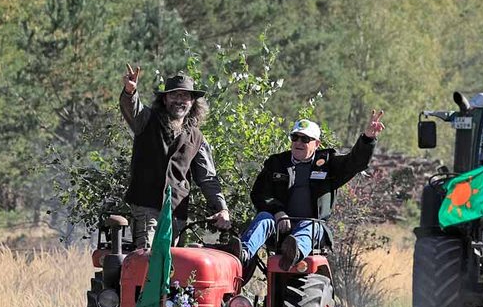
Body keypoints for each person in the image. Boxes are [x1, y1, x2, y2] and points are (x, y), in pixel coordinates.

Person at [240, 111, 385, 271]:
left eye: (305, 139)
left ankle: (293, 254)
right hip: (280, 226)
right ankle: (242, 255)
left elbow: (355, 162)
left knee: (310, 225)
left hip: (311, 228)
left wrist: (367, 138)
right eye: (295, 137)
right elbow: (259, 193)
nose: (298, 142)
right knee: (264, 217)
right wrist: (277, 211)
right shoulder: (277, 162)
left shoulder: (328, 163)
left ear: (316, 144)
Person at [119, 64, 230, 248]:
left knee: (174, 266)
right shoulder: (147, 120)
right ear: (164, 99)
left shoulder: (197, 137)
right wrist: (130, 92)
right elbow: (133, 109)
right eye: (174, 95)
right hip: (147, 207)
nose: (179, 100)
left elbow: (208, 178)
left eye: (185, 96)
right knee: (147, 257)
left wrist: (222, 208)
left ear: (192, 102)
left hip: (176, 212)